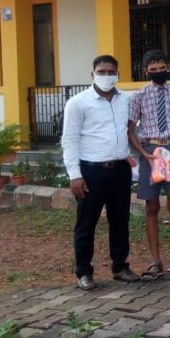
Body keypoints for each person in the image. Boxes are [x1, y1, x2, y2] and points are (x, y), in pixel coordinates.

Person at [61, 55, 140, 291]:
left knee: (120, 220)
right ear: (92, 74)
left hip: (119, 170)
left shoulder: (125, 100)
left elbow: (132, 131)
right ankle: (84, 272)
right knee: (87, 222)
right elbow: (70, 139)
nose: (107, 76)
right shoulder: (78, 102)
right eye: (102, 71)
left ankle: (120, 267)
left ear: (118, 74)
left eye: (111, 72)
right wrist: (74, 175)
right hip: (91, 172)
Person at [128, 49, 170, 281]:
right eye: (152, 70)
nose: (157, 72)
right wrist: (144, 153)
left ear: (168, 67)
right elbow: (130, 129)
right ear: (146, 71)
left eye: (161, 68)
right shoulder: (139, 96)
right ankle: (155, 260)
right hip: (151, 152)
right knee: (151, 207)